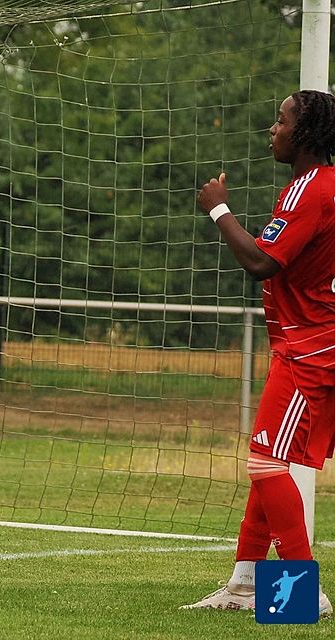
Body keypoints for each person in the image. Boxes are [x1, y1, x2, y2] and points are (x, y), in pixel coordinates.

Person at [182, 89, 335, 616]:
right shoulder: (324, 187)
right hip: (316, 342)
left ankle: (299, 591)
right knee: (271, 461)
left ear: (306, 133)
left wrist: (218, 209)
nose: (273, 130)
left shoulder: (308, 191)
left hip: (309, 347)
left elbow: (261, 263)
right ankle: (246, 584)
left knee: (266, 463)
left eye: (281, 121)